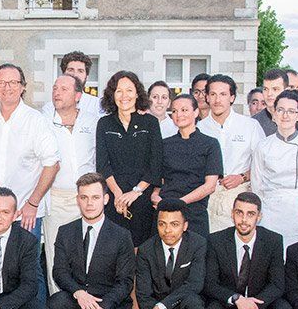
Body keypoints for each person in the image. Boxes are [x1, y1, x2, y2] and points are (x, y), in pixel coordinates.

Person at [0, 63, 59, 303]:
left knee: (29, 270)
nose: (7, 88)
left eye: (13, 82)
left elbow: (52, 164)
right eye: (1, 83)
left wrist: (32, 203)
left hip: (26, 211)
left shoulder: (35, 120)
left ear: (23, 87)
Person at [48, 173, 135, 309]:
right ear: (78, 199)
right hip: (80, 299)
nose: (89, 203)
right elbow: (59, 272)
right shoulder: (65, 232)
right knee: (56, 303)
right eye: (84, 197)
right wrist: (79, 293)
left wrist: (103, 307)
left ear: (105, 199)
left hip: (111, 304)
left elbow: (125, 282)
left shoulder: (121, 236)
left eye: (95, 197)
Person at [202, 192, 290, 309]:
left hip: (258, 307)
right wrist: (237, 299)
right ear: (232, 214)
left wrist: (248, 308)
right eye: (239, 212)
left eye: (250, 214)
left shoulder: (273, 240)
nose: (244, 220)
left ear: (259, 216)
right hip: (228, 305)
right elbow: (209, 283)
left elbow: (277, 284)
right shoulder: (215, 240)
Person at [123, 199, 207, 309]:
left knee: (195, 302)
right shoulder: (146, 250)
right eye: (162, 224)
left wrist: (161, 307)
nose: (167, 230)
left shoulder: (198, 244)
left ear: (185, 226)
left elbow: (195, 284)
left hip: (182, 306)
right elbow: (143, 295)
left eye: (174, 224)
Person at [43, 74, 98, 293]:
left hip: (87, 199)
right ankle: (58, 301)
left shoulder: (92, 121)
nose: (57, 93)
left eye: (64, 89)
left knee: (88, 252)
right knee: (56, 254)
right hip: (56, 198)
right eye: (55, 88)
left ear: (77, 95)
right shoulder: (43, 122)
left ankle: (88, 299)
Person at [251, 90, 298, 251]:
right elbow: (257, 183)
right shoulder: (263, 146)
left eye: (291, 111)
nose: (285, 116)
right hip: (271, 211)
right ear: (274, 114)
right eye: (280, 110)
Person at [97, 71, 164, 246]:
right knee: (115, 249)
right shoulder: (104, 124)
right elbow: (102, 164)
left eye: (129, 90)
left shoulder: (150, 123)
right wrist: (118, 194)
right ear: (112, 95)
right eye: (119, 91)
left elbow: (155, 164)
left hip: (143, 196)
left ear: (137, 93)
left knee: (142, 249)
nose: (124, 96)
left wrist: (136, 192)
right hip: (115, 197)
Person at [198, 74, 265, 232]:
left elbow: (263, 165)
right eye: (213, 94)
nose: (217, 100)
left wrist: (241, 177)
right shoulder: (199, 128)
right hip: (207, 200)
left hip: (239, 198)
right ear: (207, 97)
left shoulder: (250, 126)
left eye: (223, 94)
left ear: (232, 97)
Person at [153, 94, 221, 237]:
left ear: (196, 112)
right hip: (166, 211)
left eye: (184, 110)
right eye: (174, 111)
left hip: (194, 211)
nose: (179, 115)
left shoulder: (210, 144)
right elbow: (158, 180)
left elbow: (210, 186)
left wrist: (179, 203)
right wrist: (155, 196)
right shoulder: (164, 144)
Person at [254, 68, 298, 138]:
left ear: (286, 90)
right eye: (265, 89)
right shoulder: (254, 123)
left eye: (275, 89)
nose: (269, 94)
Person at [41, 51, 102, 119]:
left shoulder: (97, 106)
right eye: (70, 70)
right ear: (63, 74)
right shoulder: (49, 108)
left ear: (86, 77)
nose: (75, 74)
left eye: (80, 71)